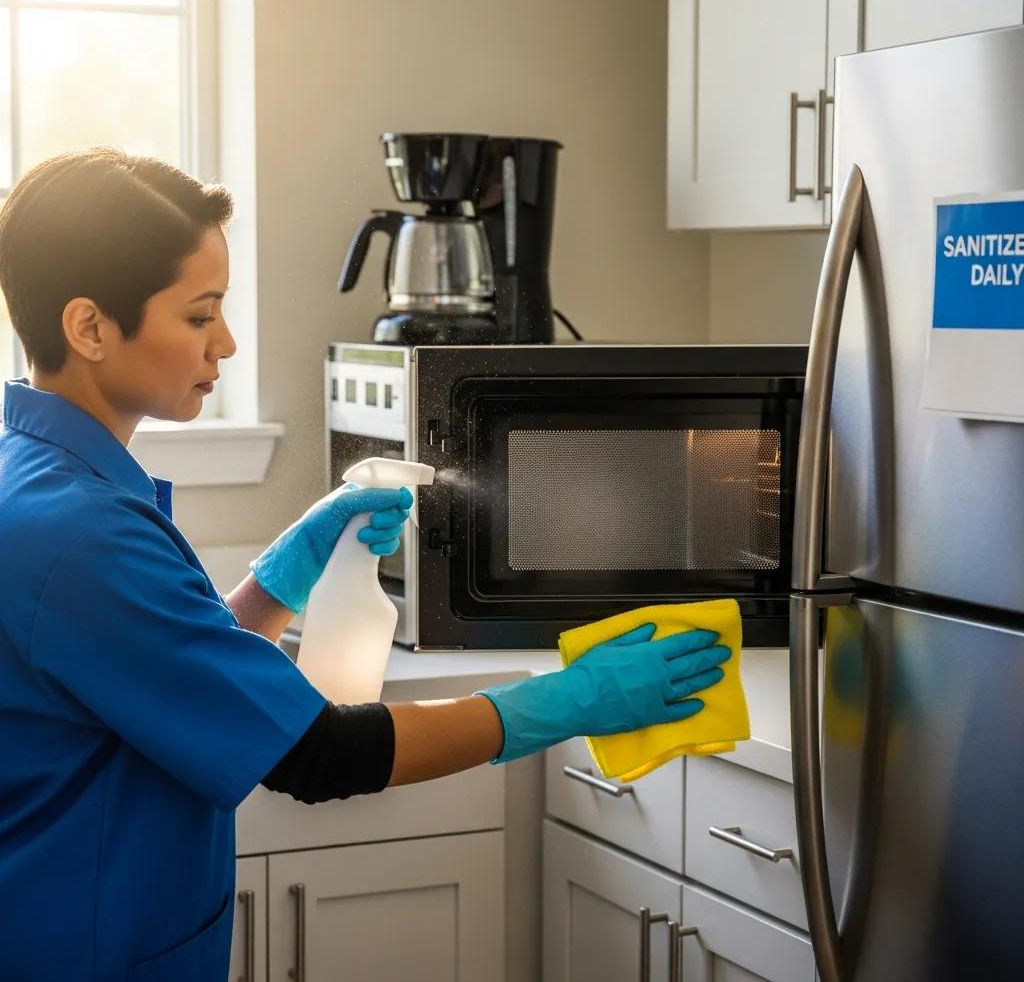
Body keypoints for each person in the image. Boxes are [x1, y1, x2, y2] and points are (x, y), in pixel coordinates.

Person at [0, 148, 732, 980]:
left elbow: (162, 679)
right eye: (201, 316)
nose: (227, 343)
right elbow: (317, 755)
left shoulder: (39, 478)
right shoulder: (82, 534)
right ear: (90, 327)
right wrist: (566, 701)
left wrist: (286, 570)